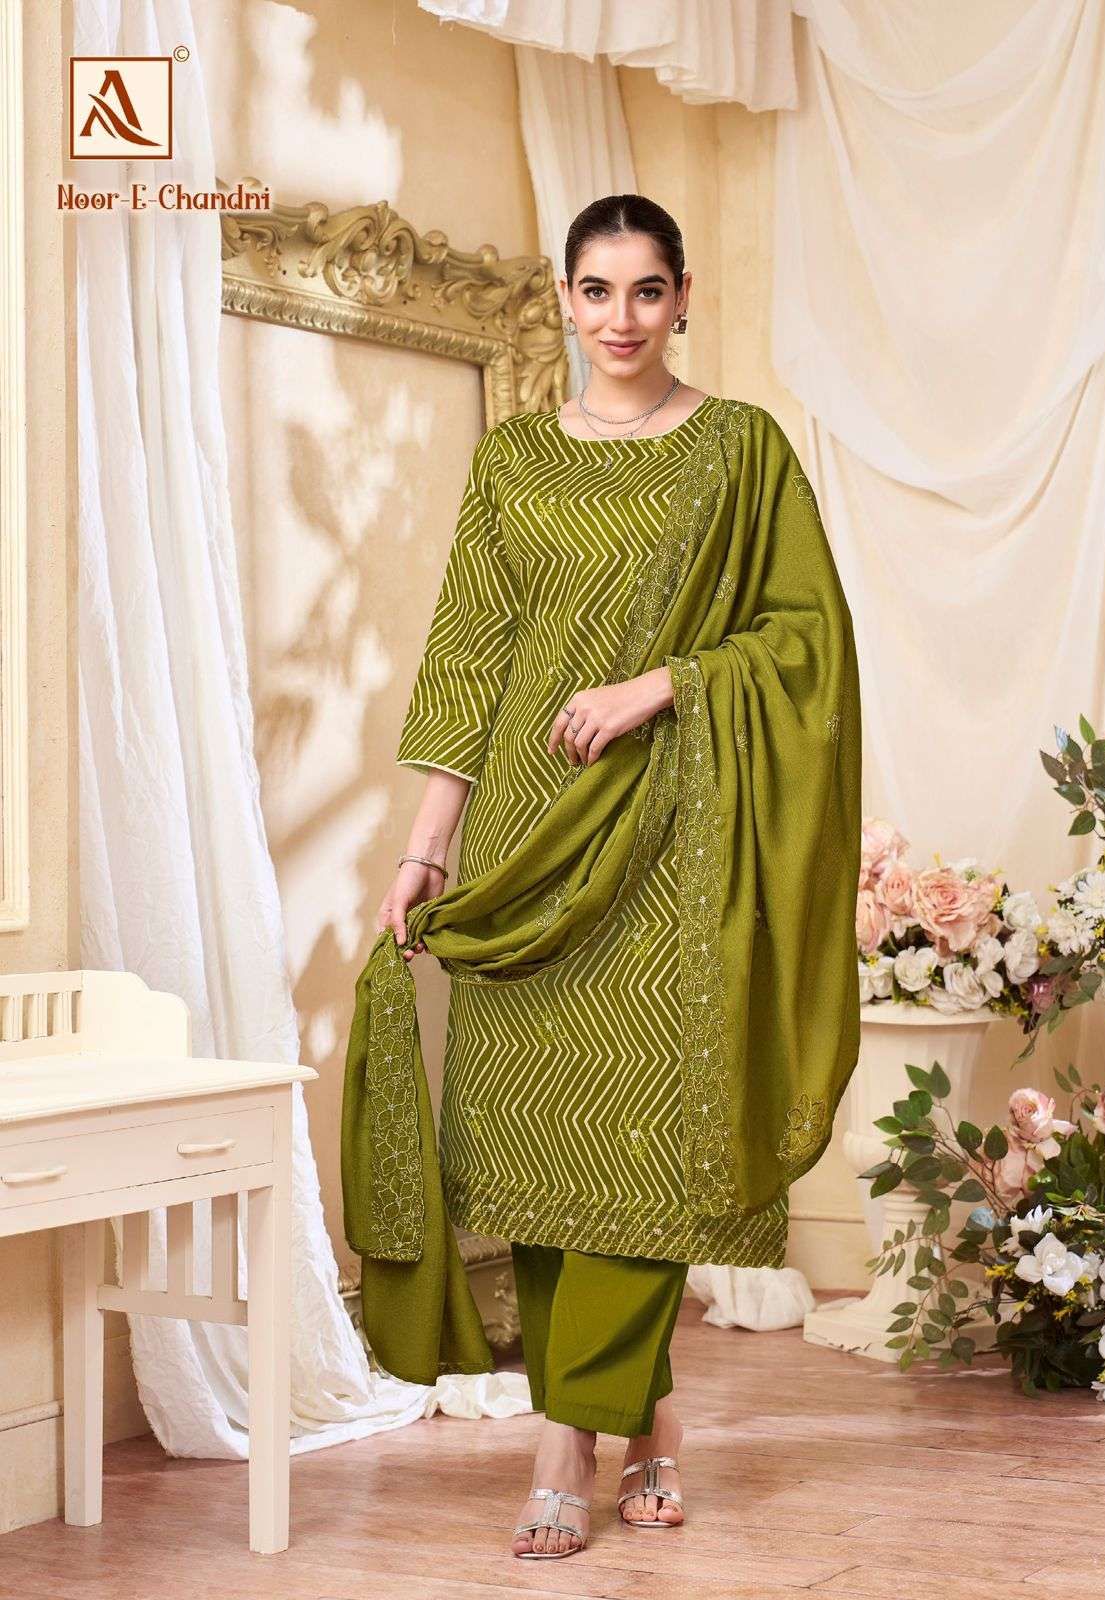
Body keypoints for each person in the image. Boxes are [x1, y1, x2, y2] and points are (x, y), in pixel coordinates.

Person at [341, 193, 862, 1561]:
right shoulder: (514, 459)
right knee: (536, 1150)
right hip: (529, 838)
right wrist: (426, 844)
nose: (619, 319)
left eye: (645, 290)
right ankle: (654, 1427)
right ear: (564, 300)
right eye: (594, 290)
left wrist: (664, 684)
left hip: (675, 841)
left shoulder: (740, 450)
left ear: (684, 297)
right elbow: (469, 651)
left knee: (637, 1145)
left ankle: (565, 1442)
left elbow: (805, 641)